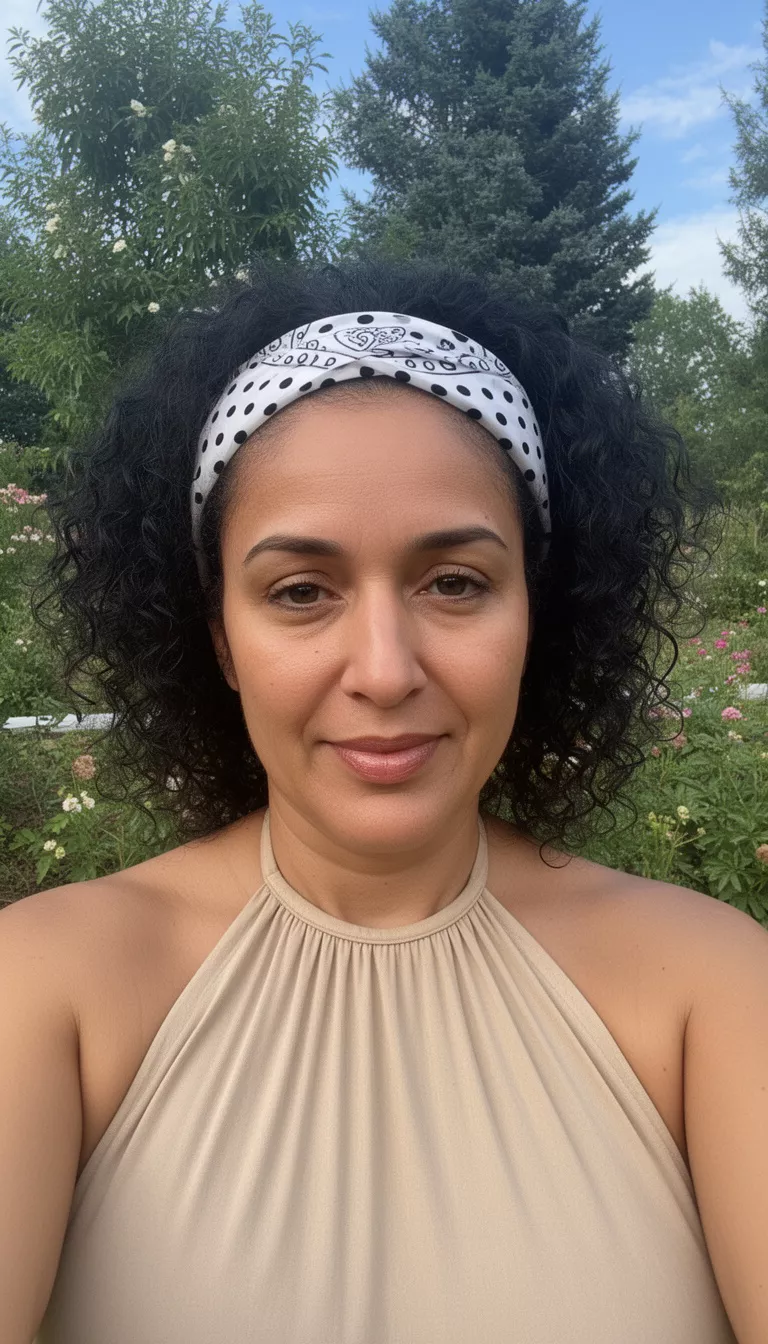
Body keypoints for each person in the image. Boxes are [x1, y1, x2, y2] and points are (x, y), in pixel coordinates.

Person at [4, 256, 759, 1343]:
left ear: (535, 615)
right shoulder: (41, 992)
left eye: (454, 582)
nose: (385, 670)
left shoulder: (716, 989)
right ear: (221, 641)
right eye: (300, 591)